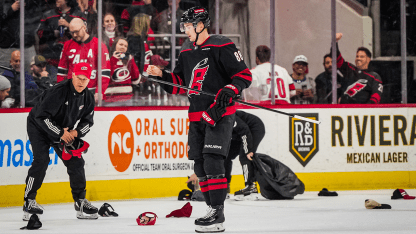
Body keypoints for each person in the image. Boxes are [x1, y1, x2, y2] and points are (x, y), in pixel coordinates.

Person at [147, 7, 252, 233]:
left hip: (219, 111)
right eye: (184, 26)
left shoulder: (222, 45)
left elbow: (244, 75)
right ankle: (211, 210)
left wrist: (230, 88)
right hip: (195, 114)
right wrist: (161, 76)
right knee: (199, 164)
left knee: (213, 159)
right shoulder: (186, 49)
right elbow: (179, 82)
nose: (185, 30)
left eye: (188, 25)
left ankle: (218, 212)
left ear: (201, 24)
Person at [23, 62, 98, 221]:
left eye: (85, 79)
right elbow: (41, 116)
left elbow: (88, 122)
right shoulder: (58, 91)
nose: (81, 82)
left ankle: (80, 202)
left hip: (65, 130)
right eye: (79, 78)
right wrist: (59, 133)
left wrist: (75, 133)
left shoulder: (88, 97)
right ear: (72, 75)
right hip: (39, 127)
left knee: (76, 161)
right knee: (41, 160)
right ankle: (29, 201)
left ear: (90, 79)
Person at [57, 18, 111, 103]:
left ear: (84, 28)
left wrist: (99, 92)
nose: (74, 35)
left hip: (92, 93)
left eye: (76, 31)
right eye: (72, 32)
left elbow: (105, 72)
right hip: (71, 94)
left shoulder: (98, 45)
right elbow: (61, 72)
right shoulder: (67, 45)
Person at [333, 33, 383, 104]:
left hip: (362, 112)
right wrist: (335, 42)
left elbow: (376, 96)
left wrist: (366, 110)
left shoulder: (374, 76)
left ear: (368, 59)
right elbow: (337, 59)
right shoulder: (350, 69)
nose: (358, 58)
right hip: (344, 111)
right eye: (357, 56)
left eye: (362, 57)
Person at [37, 0, 85, 67]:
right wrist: (52, 33)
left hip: (73, 58)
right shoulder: (47, 15)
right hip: (52, 59)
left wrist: (69, 26)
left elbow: (85, 34)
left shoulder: (79, 15)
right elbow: (39, 33)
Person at [0, 0, 41, 72]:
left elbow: (37, 20)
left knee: (31, 75)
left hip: (27, 46)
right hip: (6, 47)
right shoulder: (2, 2)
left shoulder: (31, 3)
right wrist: (10, 9)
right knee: (3, 77)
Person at [104, 37, 141, 105]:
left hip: (127, 98)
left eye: (125, 46)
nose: (123, 47)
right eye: (121, 44)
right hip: (111, 98)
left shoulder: (128, 60)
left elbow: (136, 79)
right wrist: (113, 60)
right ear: (115, 45)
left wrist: (131, 61)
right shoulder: (107, 58)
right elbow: (106, 79)